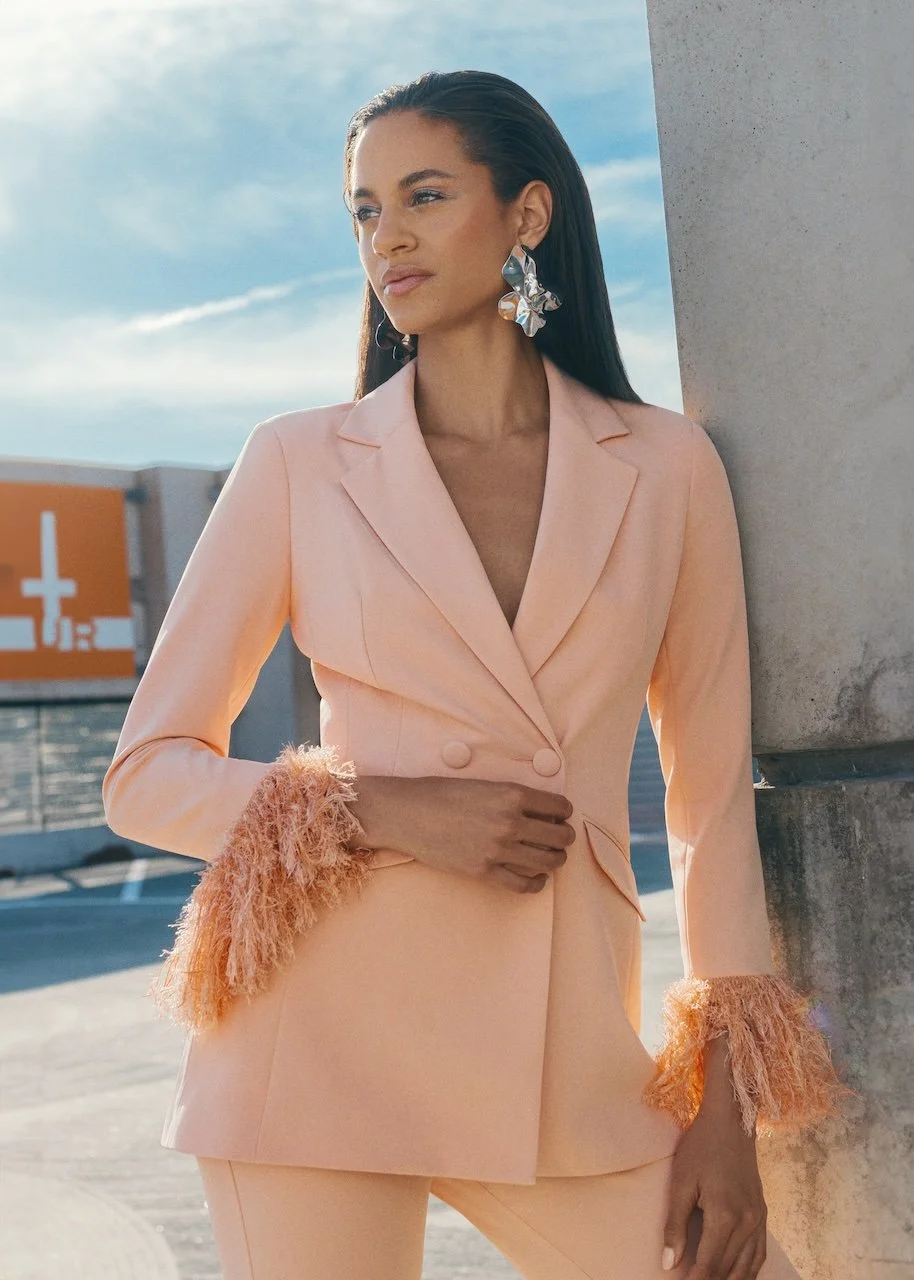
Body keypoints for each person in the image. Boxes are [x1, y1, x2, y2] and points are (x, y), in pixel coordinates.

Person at [102, 70, 846, 1280]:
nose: (384, 236)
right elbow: (145, 776)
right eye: (361, 210)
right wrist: (386, 809)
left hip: (563, 1053)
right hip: (314, 1047)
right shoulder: (298, 462)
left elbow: (708, 803)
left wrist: (724, 1105)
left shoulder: (664, 467)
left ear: (526, 214)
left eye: (424, 194)